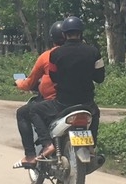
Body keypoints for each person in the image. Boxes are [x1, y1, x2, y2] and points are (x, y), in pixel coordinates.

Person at [24, 15, 104, 165]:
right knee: (96, 113)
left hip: (63, 104)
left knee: (33, 110)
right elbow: (100, 78)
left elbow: (54, 78)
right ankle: (91, 146)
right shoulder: (94, 52)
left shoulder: (55, 54)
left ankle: (47, 144)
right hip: (87, 104)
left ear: (64, 34)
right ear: (81, 33)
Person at [14, 21, 64, 167]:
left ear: (52, 38)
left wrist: (19, 83)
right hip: (80, 100)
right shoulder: (81, 53)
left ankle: (31, 154)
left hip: (55, 102)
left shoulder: (48, 56)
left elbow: (30, 82)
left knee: (24, 112)